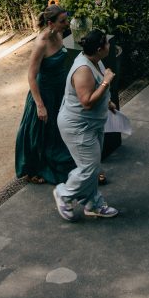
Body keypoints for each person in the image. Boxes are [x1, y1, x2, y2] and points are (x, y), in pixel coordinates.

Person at [53, 28, 118, 220]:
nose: (109, 45)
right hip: (77, 126)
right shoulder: (83, 70)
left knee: (92, 166)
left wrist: (107, 102)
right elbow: (87, 102)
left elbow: (94, 90)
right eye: (106, 42)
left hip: (92, 124)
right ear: (99, 48)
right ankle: (64, 194)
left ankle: (93, 204)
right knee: (88, 167)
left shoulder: (95, 60)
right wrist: (106, 82)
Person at [15, 4, 75, 185]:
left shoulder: (58, 33)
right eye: (62, 21)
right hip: (44, 92)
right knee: (39, 131)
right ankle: (31, 169)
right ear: (50, 23)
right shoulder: (41, 43)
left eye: (66, 19)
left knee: (58, 130)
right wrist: (40, 105)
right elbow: (31, 76)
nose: (66, 24)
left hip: (59, 88)